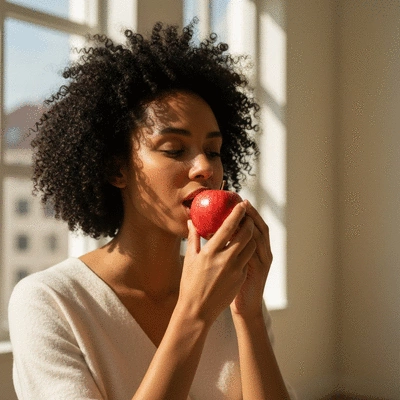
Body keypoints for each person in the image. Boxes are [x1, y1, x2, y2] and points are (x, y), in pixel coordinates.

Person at [8, 20, 296, 399]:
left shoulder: (228, 290)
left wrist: (249, 314)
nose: (206, 169)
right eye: (175, 150)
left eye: (213, 151)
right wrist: (194, 313)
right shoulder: (49, 301)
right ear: (117, 168)